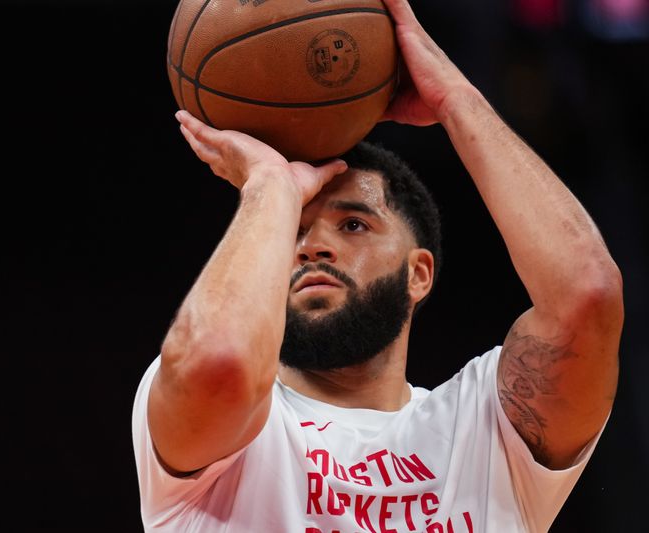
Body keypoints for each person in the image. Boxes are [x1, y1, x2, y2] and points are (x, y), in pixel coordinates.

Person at [131, 0, 624, 531]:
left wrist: (457, 99)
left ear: (419, 273)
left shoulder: (482, 432)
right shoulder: (238, 430)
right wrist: (270, 187)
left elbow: (587, 297)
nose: (310, 247)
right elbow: (220, 362)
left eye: (353, 225)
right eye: (293, 229)